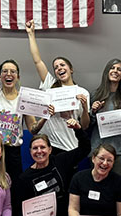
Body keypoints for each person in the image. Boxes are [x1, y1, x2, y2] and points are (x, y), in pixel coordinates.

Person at [0, 31, 47, 184]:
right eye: (5, 71)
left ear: (17, 77)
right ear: (0, 76)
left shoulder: (24, 99)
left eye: (13, 71)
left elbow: (32, 129)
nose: (9, 73)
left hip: (12, 151)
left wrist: (44, 119)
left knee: (13, 188)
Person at [14, 117, 91, 216]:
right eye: (35, 148)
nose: (39, 151)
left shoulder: (61, 161)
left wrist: (78, 130)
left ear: (50, 149)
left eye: (43, 147)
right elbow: (18, 208)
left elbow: (85, 149)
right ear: (30, 152)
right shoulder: (24, 178)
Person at [25, 20, 90, 155]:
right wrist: (31, 34)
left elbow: (84, 126)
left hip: (71, 146)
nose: (59, 68)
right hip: (50, 146)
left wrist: (84, 108)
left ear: (70, 69)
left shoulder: (83, 92)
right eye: (56, 67)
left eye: (62, 65)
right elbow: (37, 61)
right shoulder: (50, 85)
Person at [90, 58, 121, 179]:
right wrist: (93, 111)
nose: (115, 71)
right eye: (112, 68)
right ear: (107, 71)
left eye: (119, 69)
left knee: (118, 185)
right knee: (99, 184)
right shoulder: (95, 95)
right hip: (100, 148)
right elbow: (88, 125)